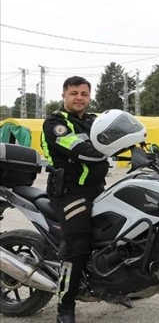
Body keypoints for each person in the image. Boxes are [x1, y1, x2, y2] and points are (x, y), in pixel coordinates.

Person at [41, 76, 110, 323]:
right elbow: (81, 150)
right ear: (64, 95)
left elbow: (115, 135)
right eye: (74, 93)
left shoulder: (94, 121)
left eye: (84, 93)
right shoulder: (56, 122)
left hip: (97, 188)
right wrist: (110, 149)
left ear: (89, 97)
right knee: (77, 245)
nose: (79, 97)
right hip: (69, 192)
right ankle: (65, 308)